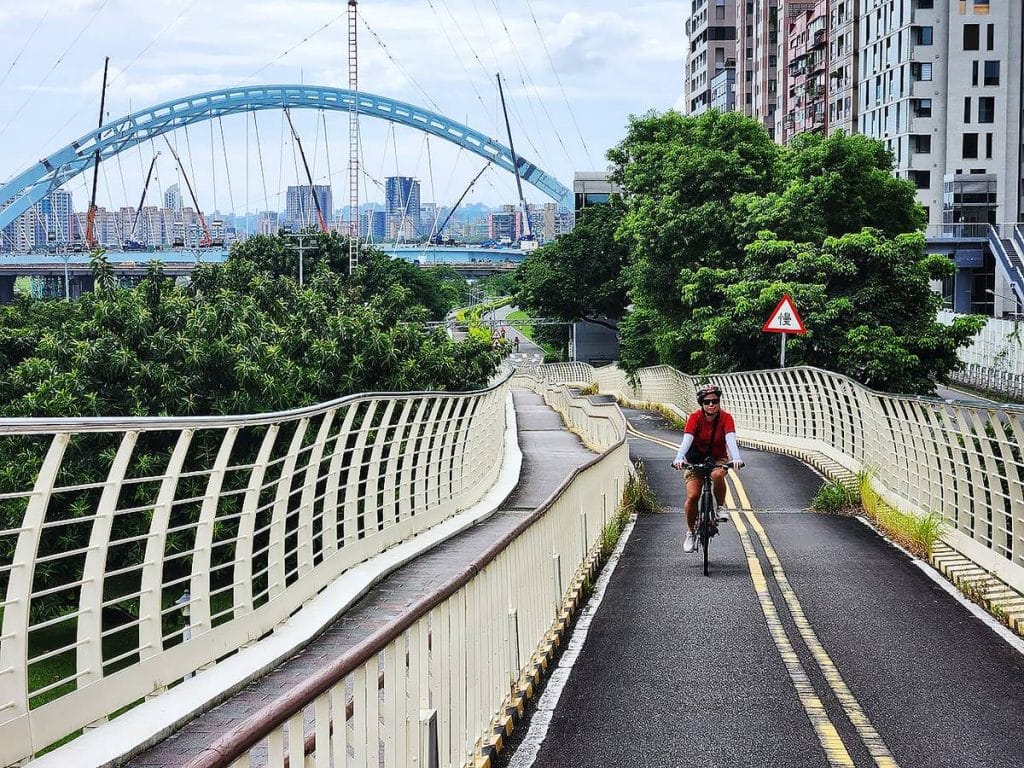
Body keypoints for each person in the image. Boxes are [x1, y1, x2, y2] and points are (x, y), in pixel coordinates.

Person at [671, 384, 745, 553]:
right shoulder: (695, 418)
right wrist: (679, 458)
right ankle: (690, 532)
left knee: (718, 475)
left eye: (715, 401)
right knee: (693, 496)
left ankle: (720, 508)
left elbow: (730, 439)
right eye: (707, 402)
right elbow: (687, 439)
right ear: (701, 403)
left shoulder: (726, 418)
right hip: (695, 460)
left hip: (718, 458)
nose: (711, 404)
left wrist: (736, 458)